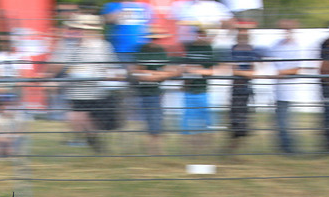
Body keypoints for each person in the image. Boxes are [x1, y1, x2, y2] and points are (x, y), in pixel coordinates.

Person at [48, 14, 120, 152]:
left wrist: (106, 75)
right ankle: (92, 141)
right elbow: (56, 66)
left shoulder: (103, 46)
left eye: (79, 28)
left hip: (97, 91)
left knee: (93, 121)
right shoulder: (68, 45)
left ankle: (94, 141)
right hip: (76, 90)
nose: (76, 31)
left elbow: (112, 67)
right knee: (76, 118)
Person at [131, 26, 177, 155]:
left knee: (156, 119)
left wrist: (157, 75)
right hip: (145, 91)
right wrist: (158, 75)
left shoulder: (161, 51)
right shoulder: (142, 50)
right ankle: (154, 150)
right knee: (151, 120)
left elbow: (167, 71)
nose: (154, 41)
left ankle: (155, 149)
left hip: (156, 91)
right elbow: (138, 72)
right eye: (152, 38)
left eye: (156, 39)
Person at [177, 25, 218, 149]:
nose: (200, 36)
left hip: (202, 90)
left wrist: (195, 71)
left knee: (206, 119)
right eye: (198, 34)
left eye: (202, 34)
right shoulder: (189, 48)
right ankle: (189, 148)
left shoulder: (208, 49)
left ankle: (205, 147)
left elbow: (211, 70)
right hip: (189, 89)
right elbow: (183, 67)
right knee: (188, 121)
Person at [269, 19, 303, 154]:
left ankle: (288, 148)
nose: (286, 32)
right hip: (277, 88)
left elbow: (297, 68)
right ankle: (284, 146)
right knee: (280, 119)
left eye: (289, 30)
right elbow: (268, 56)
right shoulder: (277, 45)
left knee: (283, 119)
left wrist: (279, 72)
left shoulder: (295, 46)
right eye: (285, 30)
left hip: (287, 89)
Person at [226, 25, 260, 152]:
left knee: (241, 119)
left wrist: (240, 72)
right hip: (236, 87)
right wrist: (243, 73)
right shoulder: (234, 49)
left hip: (243, 88)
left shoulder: (250, 50)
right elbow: (235, 70)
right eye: (241, 34)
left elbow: (251, 72)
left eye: (245, 34)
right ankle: (233, 148)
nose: (242, 36)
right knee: (234, 118)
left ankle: (235, 149)